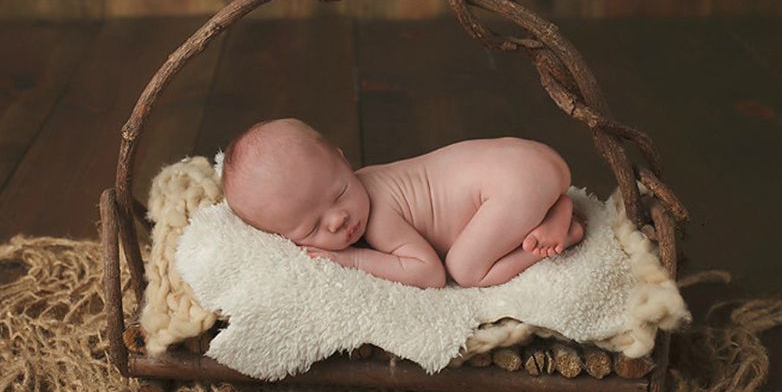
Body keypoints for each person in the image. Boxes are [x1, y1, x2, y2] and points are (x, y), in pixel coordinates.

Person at [221, 118, 585, 289]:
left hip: (515, 182)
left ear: (345, 161)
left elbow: (429, 273)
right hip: (530, 159)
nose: (337, 220)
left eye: (340, 194)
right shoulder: (361, 186)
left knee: (465, 268)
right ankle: (554, 206)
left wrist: (351, 258)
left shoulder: (378, 215)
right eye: (311, 228)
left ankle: (563, 233)